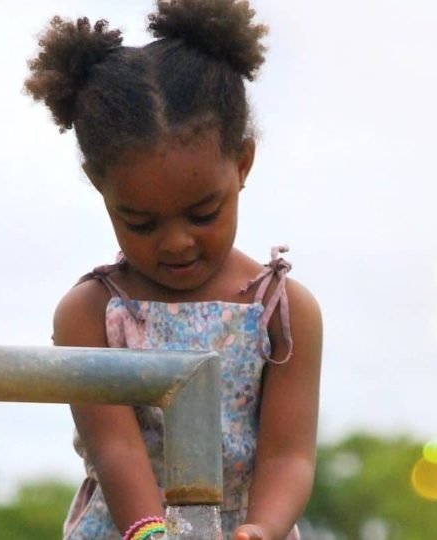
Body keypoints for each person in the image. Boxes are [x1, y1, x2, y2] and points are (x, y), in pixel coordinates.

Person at [25, 1, 322, 539]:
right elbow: (115, 450)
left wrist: (263, 528)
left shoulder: (280, 311)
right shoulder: (91, 314)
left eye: (203, 213)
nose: (177, 242)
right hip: (132, 527)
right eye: (140, 222)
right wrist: (150, 532)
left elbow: (289, 457)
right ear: (99, 186)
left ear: (243, 164)